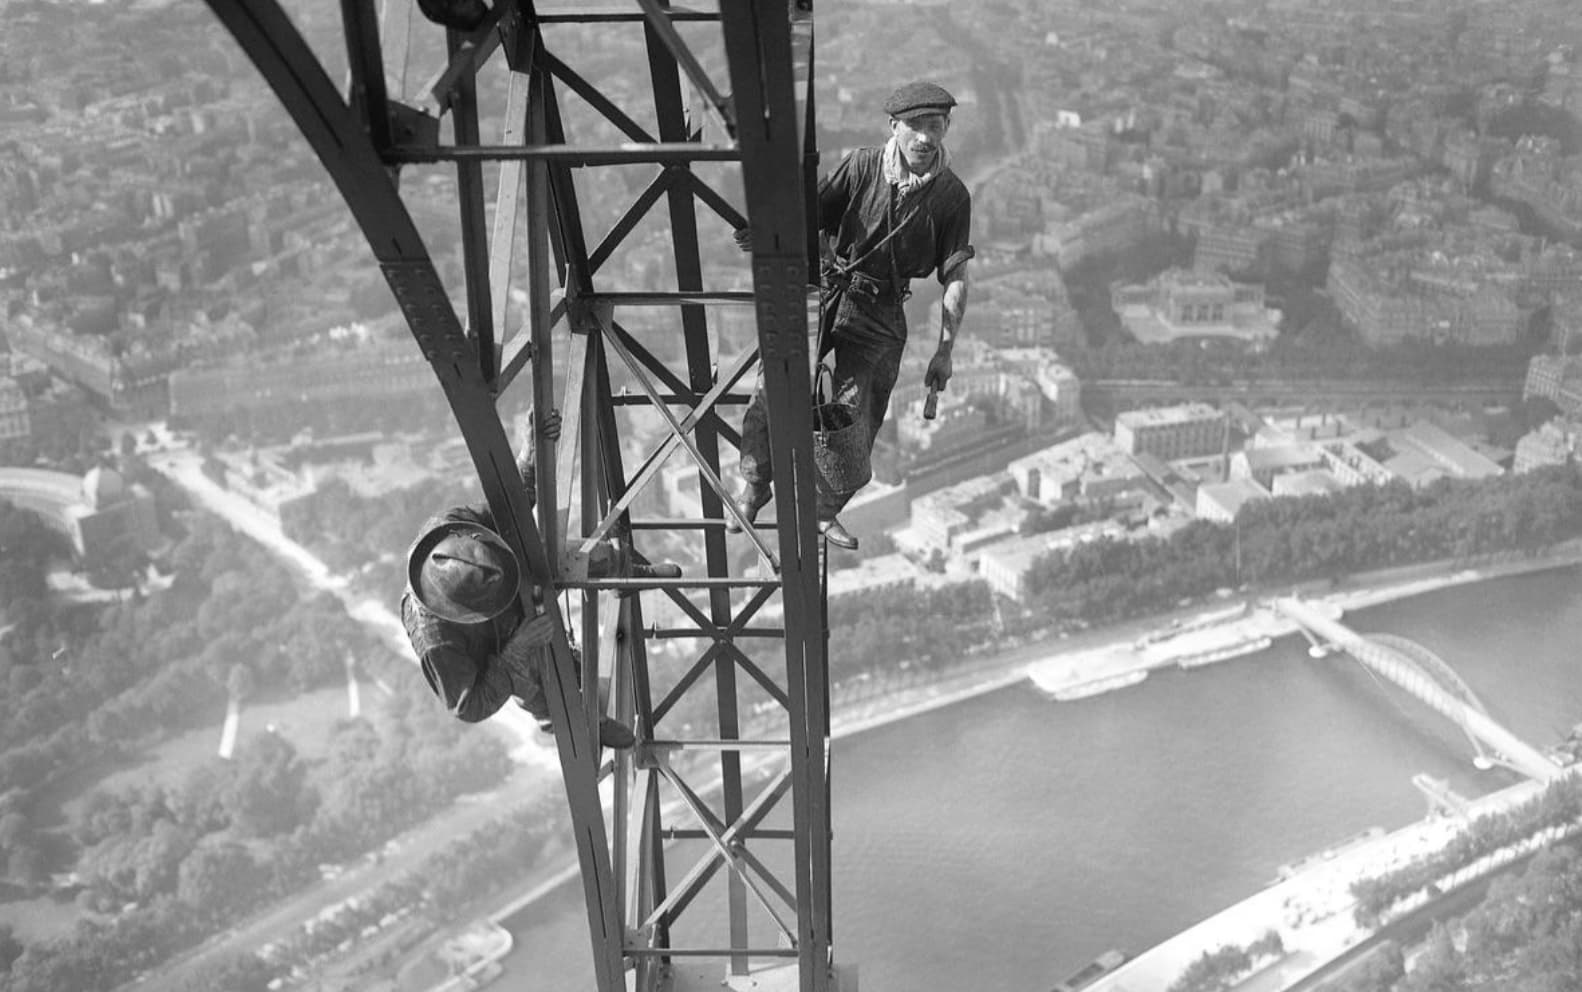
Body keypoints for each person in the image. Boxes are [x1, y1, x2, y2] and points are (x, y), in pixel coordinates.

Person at [730, 80, 974, 550]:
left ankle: (823, 510)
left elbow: (956, 276)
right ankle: (755, 485)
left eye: (936, 126)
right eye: (916, 126)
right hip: (827, 289)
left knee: (856, 415)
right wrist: (767, 233)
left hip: (881, 310)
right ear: (894, 127)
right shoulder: (863, 167)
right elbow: (811, 214)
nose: (926, 137)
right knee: (773, 385)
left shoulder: (951, 197)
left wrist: (946, 351)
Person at [402, 410, 636, 749]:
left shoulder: (454, 529)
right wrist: (516, 651)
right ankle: (577, 719)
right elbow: (468, 705)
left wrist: (531, 451)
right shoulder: (437, 638)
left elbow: (511, 510)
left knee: (564, 558)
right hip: (499, 647)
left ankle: (622, 565)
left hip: (508, 568)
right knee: (535, 676)